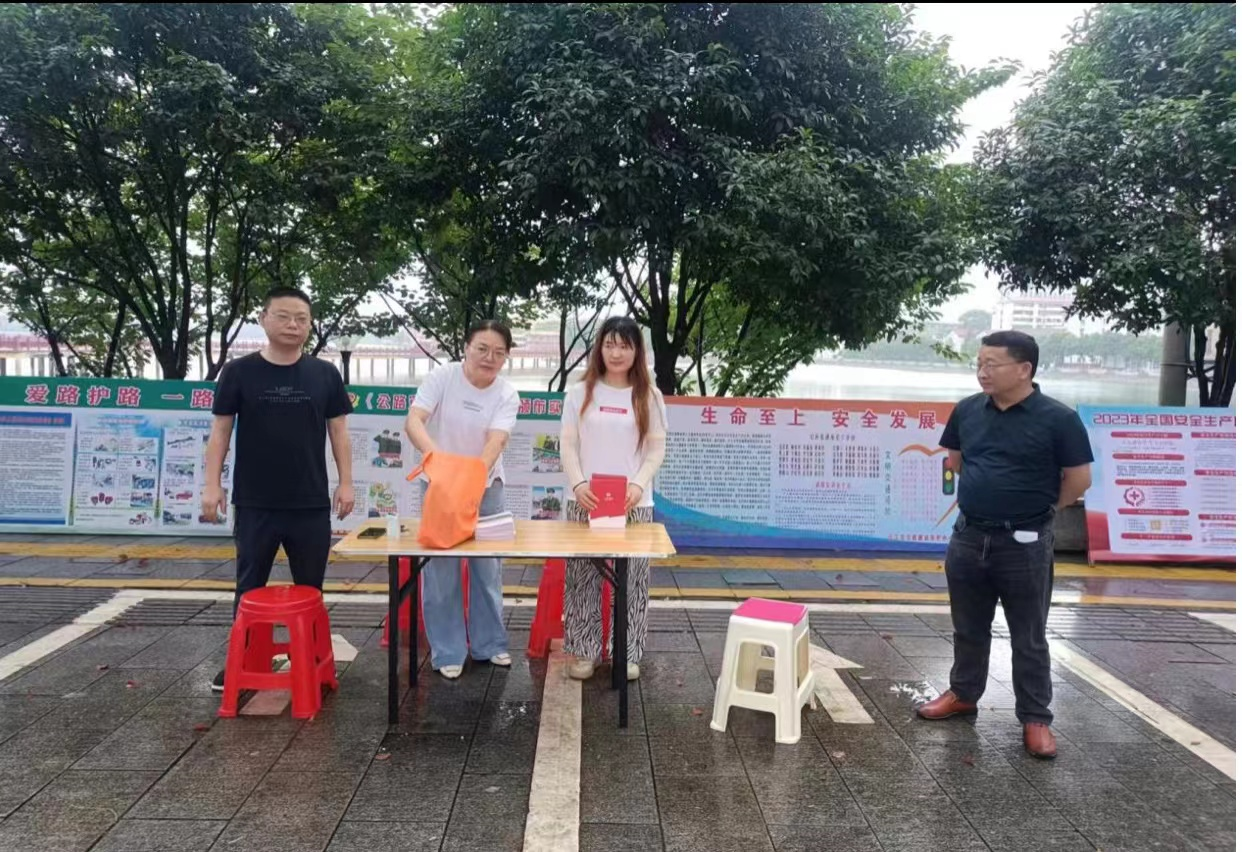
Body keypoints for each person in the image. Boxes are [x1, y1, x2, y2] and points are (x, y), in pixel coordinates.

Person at [917, 330, 1093, 759]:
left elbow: (1079, 480)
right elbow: (956, 461)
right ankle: (963, 693)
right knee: (968, 626)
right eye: (979, 364)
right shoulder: (967, 410)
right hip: (969, 535)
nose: (982, 372)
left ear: (1024, 369)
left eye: (992, 364)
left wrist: (1042, 509)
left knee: (1028, 634)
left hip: (1025, 542)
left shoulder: (1058, 419)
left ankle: (1035, 717)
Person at [202, 286, 355, 691]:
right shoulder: (239, 372)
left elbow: (339, 432)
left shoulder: (324, 374)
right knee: (249, 586)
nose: (293, 325)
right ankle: (242, 662)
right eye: (284, 316)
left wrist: (346, 483)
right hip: (255, 501)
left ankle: (312, 660)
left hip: (310, 502)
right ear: (263, 319)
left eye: (302, 319)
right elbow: (220, 432)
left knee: (311, 588)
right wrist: (211, 485)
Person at [404, 320, 520, 679]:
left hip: (486, 487)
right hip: (439, 485)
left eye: (498, 352)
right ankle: (448, 650)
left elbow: (496, 440)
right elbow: (414, 421)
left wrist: (472, 476)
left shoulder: (507, 393)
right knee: (441, 570)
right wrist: (438, 461)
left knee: (487, 569)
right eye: (482, 348)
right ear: (466, 347)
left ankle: (490, 644)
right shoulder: (443, 377)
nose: (489, 357)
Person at [559, 316, 668, 681]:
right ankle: (585, 651)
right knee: (582, 577)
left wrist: (637, 485)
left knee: (633, 580)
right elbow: (567, 445)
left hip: (634, 503)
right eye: (609, 345)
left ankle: (627, 652)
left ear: (637, 351)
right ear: (599, 349)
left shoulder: (649, 395)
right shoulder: (580, 393)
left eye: (624, 346)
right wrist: (578, 484)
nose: (616, 353)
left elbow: (656, 449)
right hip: (585, 499)